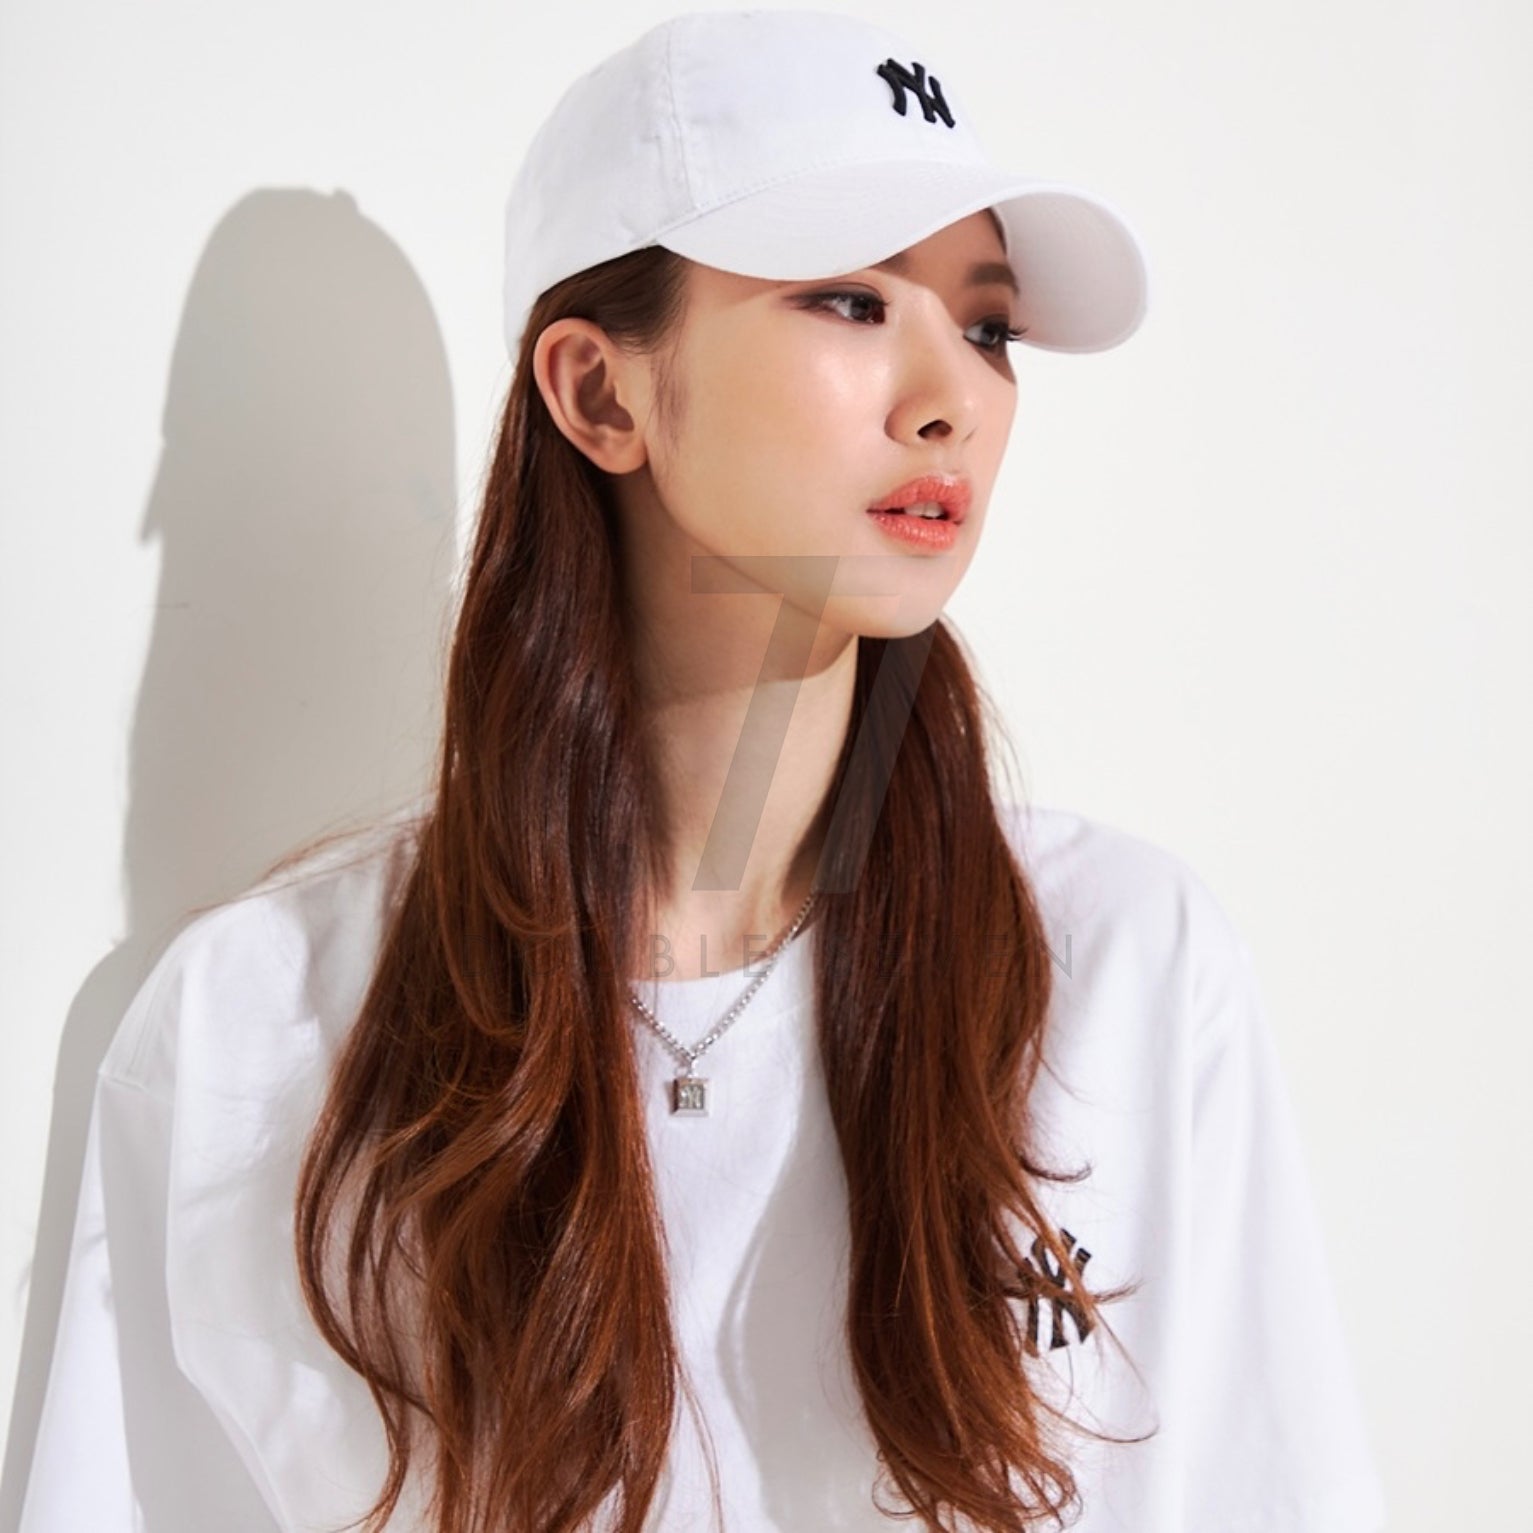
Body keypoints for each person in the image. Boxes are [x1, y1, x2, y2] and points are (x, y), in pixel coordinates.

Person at [18, 10, 1388, 1533]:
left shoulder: (1122, 969)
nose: (949, 394)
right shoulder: (254, 1035)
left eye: (987, 326)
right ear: (601, 394)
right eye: (849, 298)